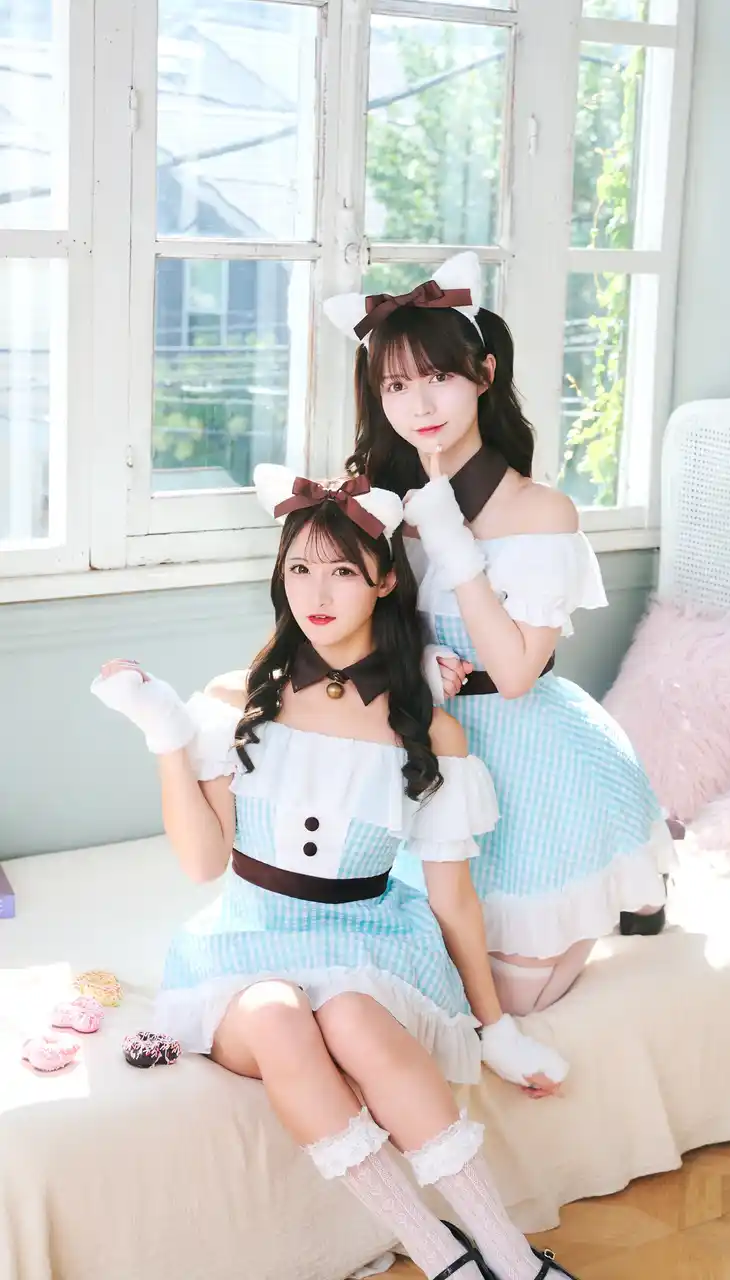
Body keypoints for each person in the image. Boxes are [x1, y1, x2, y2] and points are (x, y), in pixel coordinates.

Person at [91, 466, 577, 1280]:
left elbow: (453, 900)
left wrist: (495, 1030)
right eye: (299, 569)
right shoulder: (238, 701)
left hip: (367, 941)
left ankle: (508, 1257)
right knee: (278, 1015)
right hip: (245, 946)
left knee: (349, 1016)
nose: (316, 593)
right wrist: (168, 742)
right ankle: (443, 1260)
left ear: (384, 581)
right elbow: (203, 862)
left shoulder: (427, 731)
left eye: (343, 570)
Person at [323, 250, 673, 1019]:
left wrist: (451, 542)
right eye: (395, 385)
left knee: (506, 1001)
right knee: (414, 981)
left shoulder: (541, 512)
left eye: (437, 377)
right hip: (427, 751)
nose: (419, 403)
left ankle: (627, 898)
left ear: (483, 374)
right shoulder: (379, 507)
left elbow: (514, 673)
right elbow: (346, 639)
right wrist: (414, 656)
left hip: (531, 760)